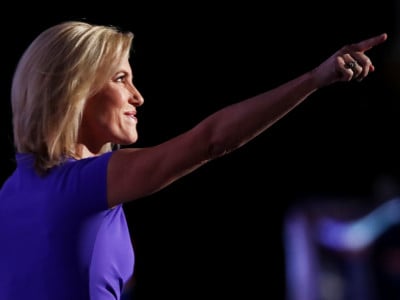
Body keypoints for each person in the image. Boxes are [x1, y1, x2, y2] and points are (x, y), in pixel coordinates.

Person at [0, 20, 387, 300]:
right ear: (75, 90)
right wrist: (313, 80)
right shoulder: (84, 184)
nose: (138, 96)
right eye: (121, 79)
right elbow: (212, 140)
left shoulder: (13, 189)